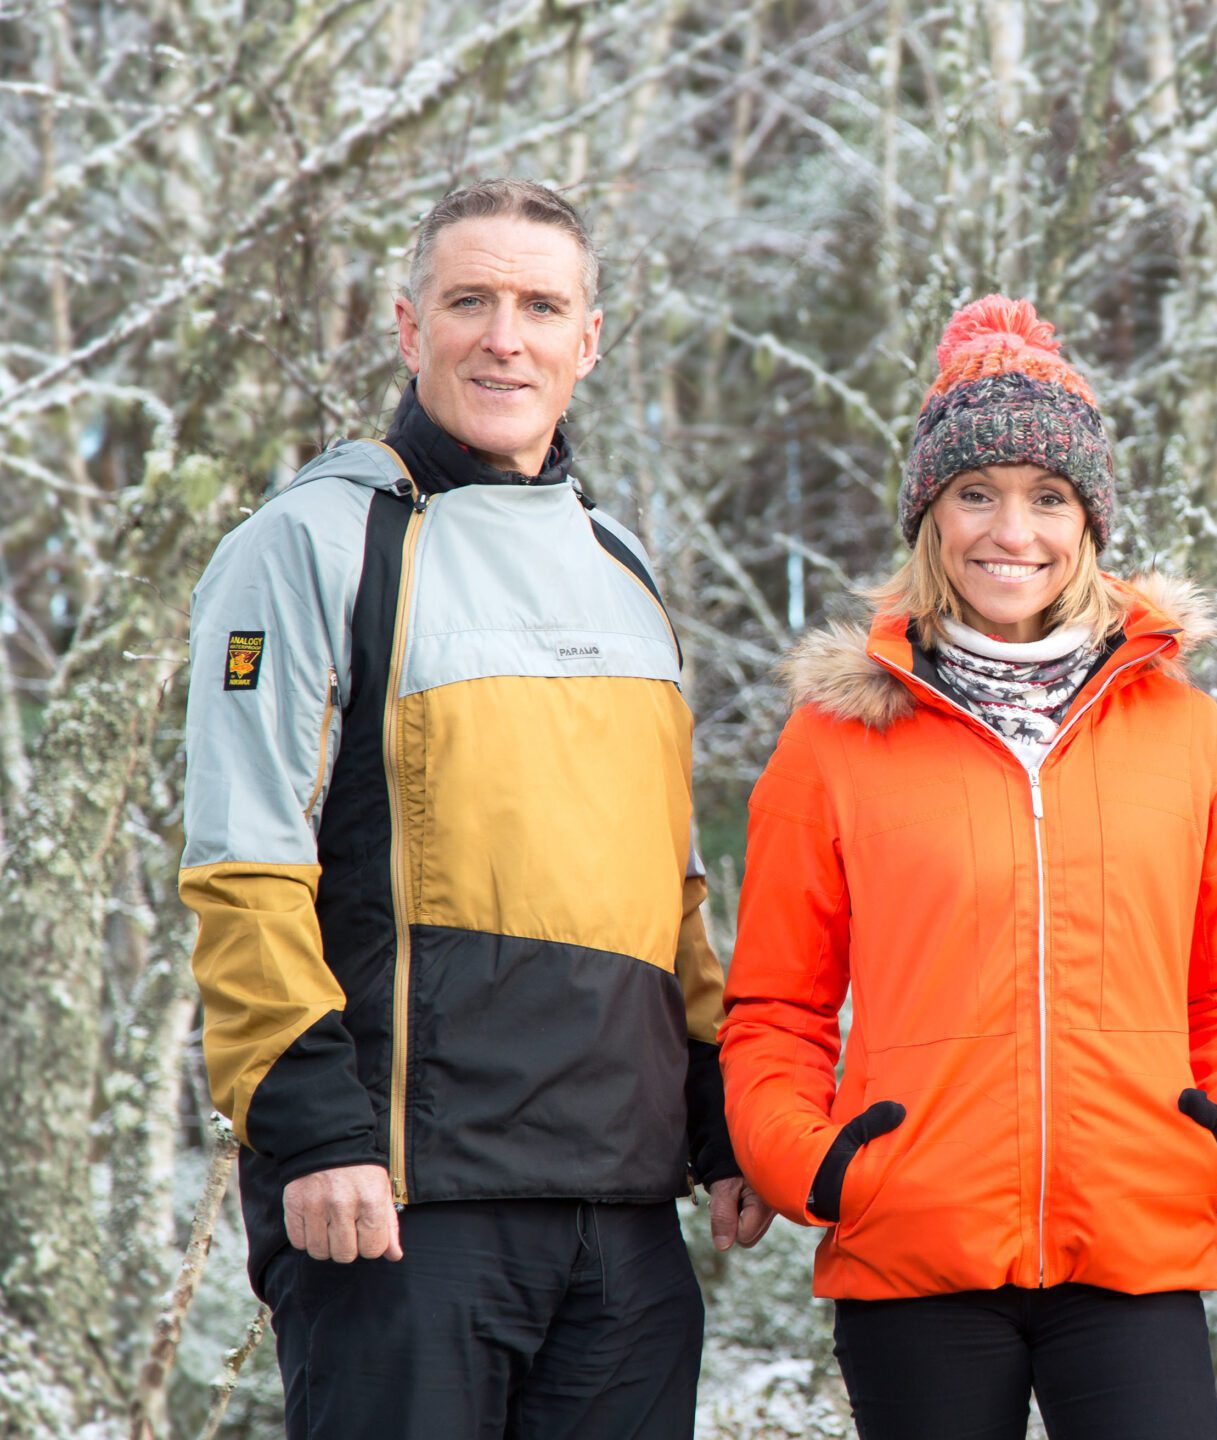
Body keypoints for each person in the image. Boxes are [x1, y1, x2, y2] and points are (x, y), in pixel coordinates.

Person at [180, 179, 764, 1438]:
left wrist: (723, 1115)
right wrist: (314, 1131)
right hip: (401, 1205)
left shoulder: (623, 567)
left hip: (623, 1217)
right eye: (470, 302)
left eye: (541, 307)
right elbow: (243, 863)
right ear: (409, 326)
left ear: (588, 342)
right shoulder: (312, 543)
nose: (506, 338)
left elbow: (667, 887)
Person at [720, 295, 1217, 1440]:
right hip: (911, 1249)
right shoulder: (834, 738)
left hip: (1133, 1242)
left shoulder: (1181, 730)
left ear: (1088, 521)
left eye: (1047, 497)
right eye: (975, 493)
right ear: (929, 516)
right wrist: (822, 1169)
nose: (1011, 531)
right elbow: (778, 1004)